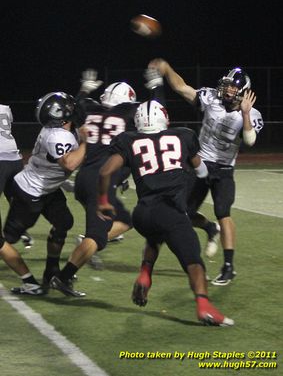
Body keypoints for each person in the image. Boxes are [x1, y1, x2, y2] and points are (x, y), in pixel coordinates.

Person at [96, 100, 234, 326]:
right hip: (170, 210)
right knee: (194, 262)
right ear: (164, 118)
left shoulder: (129, 140)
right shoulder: (183, 136)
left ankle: (145, 272)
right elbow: (201, 171)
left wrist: (103, 201)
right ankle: (204, 307)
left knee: (156, 235)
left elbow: (105, 172)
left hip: (142, 215)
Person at [49, 67, 166, 295]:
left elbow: (73, 108)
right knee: (96, 237)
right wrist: (156, 87)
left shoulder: (90, 108)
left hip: (85, 178)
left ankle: (87, 242)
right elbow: (157, 111)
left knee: (126, 220)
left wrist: (83, 90)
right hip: (100, 184)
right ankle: (63, 277)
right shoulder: (129, 113)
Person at [150, 59, 264, 285]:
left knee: (224, 211)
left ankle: (228, 266)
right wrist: (167, 69)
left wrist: (246, 115)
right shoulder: (212, 98)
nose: (227, 89)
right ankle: (210, 228)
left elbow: (250, 141)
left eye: (233, 86)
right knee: (183, 212)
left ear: (242, 91)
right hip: (200, 164)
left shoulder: (250, 113)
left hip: (223, 169)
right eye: (227, 84)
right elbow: (182, 88)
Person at [3, 91, 87, 293]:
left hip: (48, 190)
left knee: (64, 222)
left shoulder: (64, 127)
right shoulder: (57, 135)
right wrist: (89, 142)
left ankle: (51, 270)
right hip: (29, 192)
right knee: (8, 239)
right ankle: (29, 280)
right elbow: (69, 163)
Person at [0, 101, 33, 248]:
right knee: (14, 199)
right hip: (15, 159)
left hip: (0, 159)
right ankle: (22, 231)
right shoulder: (5, 108)